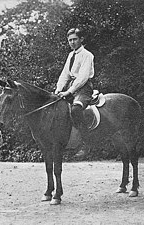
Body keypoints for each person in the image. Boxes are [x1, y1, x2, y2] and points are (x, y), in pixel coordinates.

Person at [54, 27, 94, 157]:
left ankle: (87, 144)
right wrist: (58, 90)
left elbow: (82, 78)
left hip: (84, 87)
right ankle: (67, 143)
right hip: (72, 87)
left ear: (81, 39)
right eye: (70, 40)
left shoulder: (87, 55)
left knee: (76, 109)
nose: (72, 42)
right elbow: (64, 74)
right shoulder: (71, 55)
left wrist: (68, 92)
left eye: (74, 39)